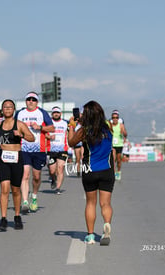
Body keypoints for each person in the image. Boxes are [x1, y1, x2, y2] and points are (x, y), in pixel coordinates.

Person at [68, 100, 114, 246]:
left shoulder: (83, 131)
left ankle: (90, 235)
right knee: (105, 203)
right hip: (107, 169)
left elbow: (71, 142)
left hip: (90, 170)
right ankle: (107, 224)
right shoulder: (109, 127)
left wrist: (72, 126)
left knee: (91, 203)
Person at [0, 99, 34, 231]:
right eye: (5, 107)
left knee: (15, 190)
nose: (7, 109)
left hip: (17, 159)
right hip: (3, 159)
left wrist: (21, 134)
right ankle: (3, 218)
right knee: (4, 188)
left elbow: (32, 138)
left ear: (14, 110)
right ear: (2, 110)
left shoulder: (20, 124)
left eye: (10, 107)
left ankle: (17, 216)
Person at [15, 91, 54, 213]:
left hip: (39, 149)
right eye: (28, 99)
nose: (31, 101)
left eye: (33, 99)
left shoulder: (41, 113)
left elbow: (52, 127)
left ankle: (34, 196)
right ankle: (25, 201)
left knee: (36, 177)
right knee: (25, 174)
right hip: (24, 148)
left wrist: (40, 127)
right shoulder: (20, 113)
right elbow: (11, 126)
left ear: (37, 102)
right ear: (26, 101)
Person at [46, 106, 68, 195]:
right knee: (52, 171)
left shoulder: (65, 123)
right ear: (52, 114)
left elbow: (70, 134)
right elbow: (44, 134)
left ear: (60, 114)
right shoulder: (48, 123)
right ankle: (53, 179)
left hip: (62, 149)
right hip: (51, 149)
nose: (56, 114)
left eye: (57, 112)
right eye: (54, 112)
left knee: (60, 168)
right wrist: (49, 137)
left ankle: (58, 188)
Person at [110, 110, 127, 180]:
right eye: (113, 117)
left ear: (118, 118)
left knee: (119, 160)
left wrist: (123, 132)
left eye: (116, 117)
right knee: (113, 159)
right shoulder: (110, 125)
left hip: (119, 145)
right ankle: (113, 173)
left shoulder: (121, 125)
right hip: (112, 145)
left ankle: (119, 171)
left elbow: (126, 134)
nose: (115, 119)